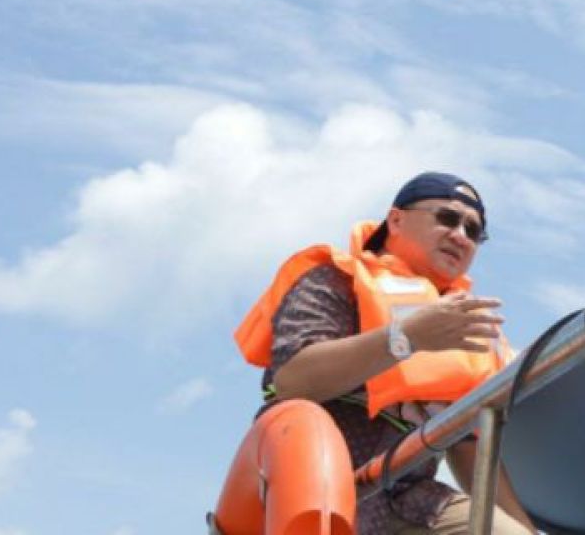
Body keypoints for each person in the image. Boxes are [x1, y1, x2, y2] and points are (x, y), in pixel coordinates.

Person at [213, 172, 536, 535]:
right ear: (396, 219)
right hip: (305, 477)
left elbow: (468, 449)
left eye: (474, 231)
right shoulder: (336, 279)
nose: (460, 235)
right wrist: (405, 338)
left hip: (408, 497)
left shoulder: (464, 331)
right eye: (446, 218)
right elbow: (293, 382)